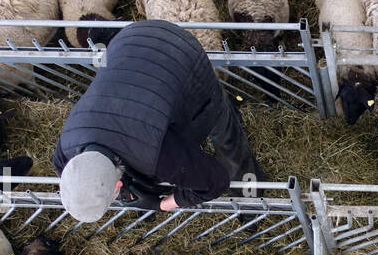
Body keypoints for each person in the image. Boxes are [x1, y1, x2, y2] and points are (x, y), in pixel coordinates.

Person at [53, 20, 265, 222]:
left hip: (180, 53)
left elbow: (214, 182)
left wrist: (163, 204)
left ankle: (250, 197)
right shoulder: (66, 147)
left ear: (118, 185)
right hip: (131, 37)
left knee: (223, 130)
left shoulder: (158, 156)